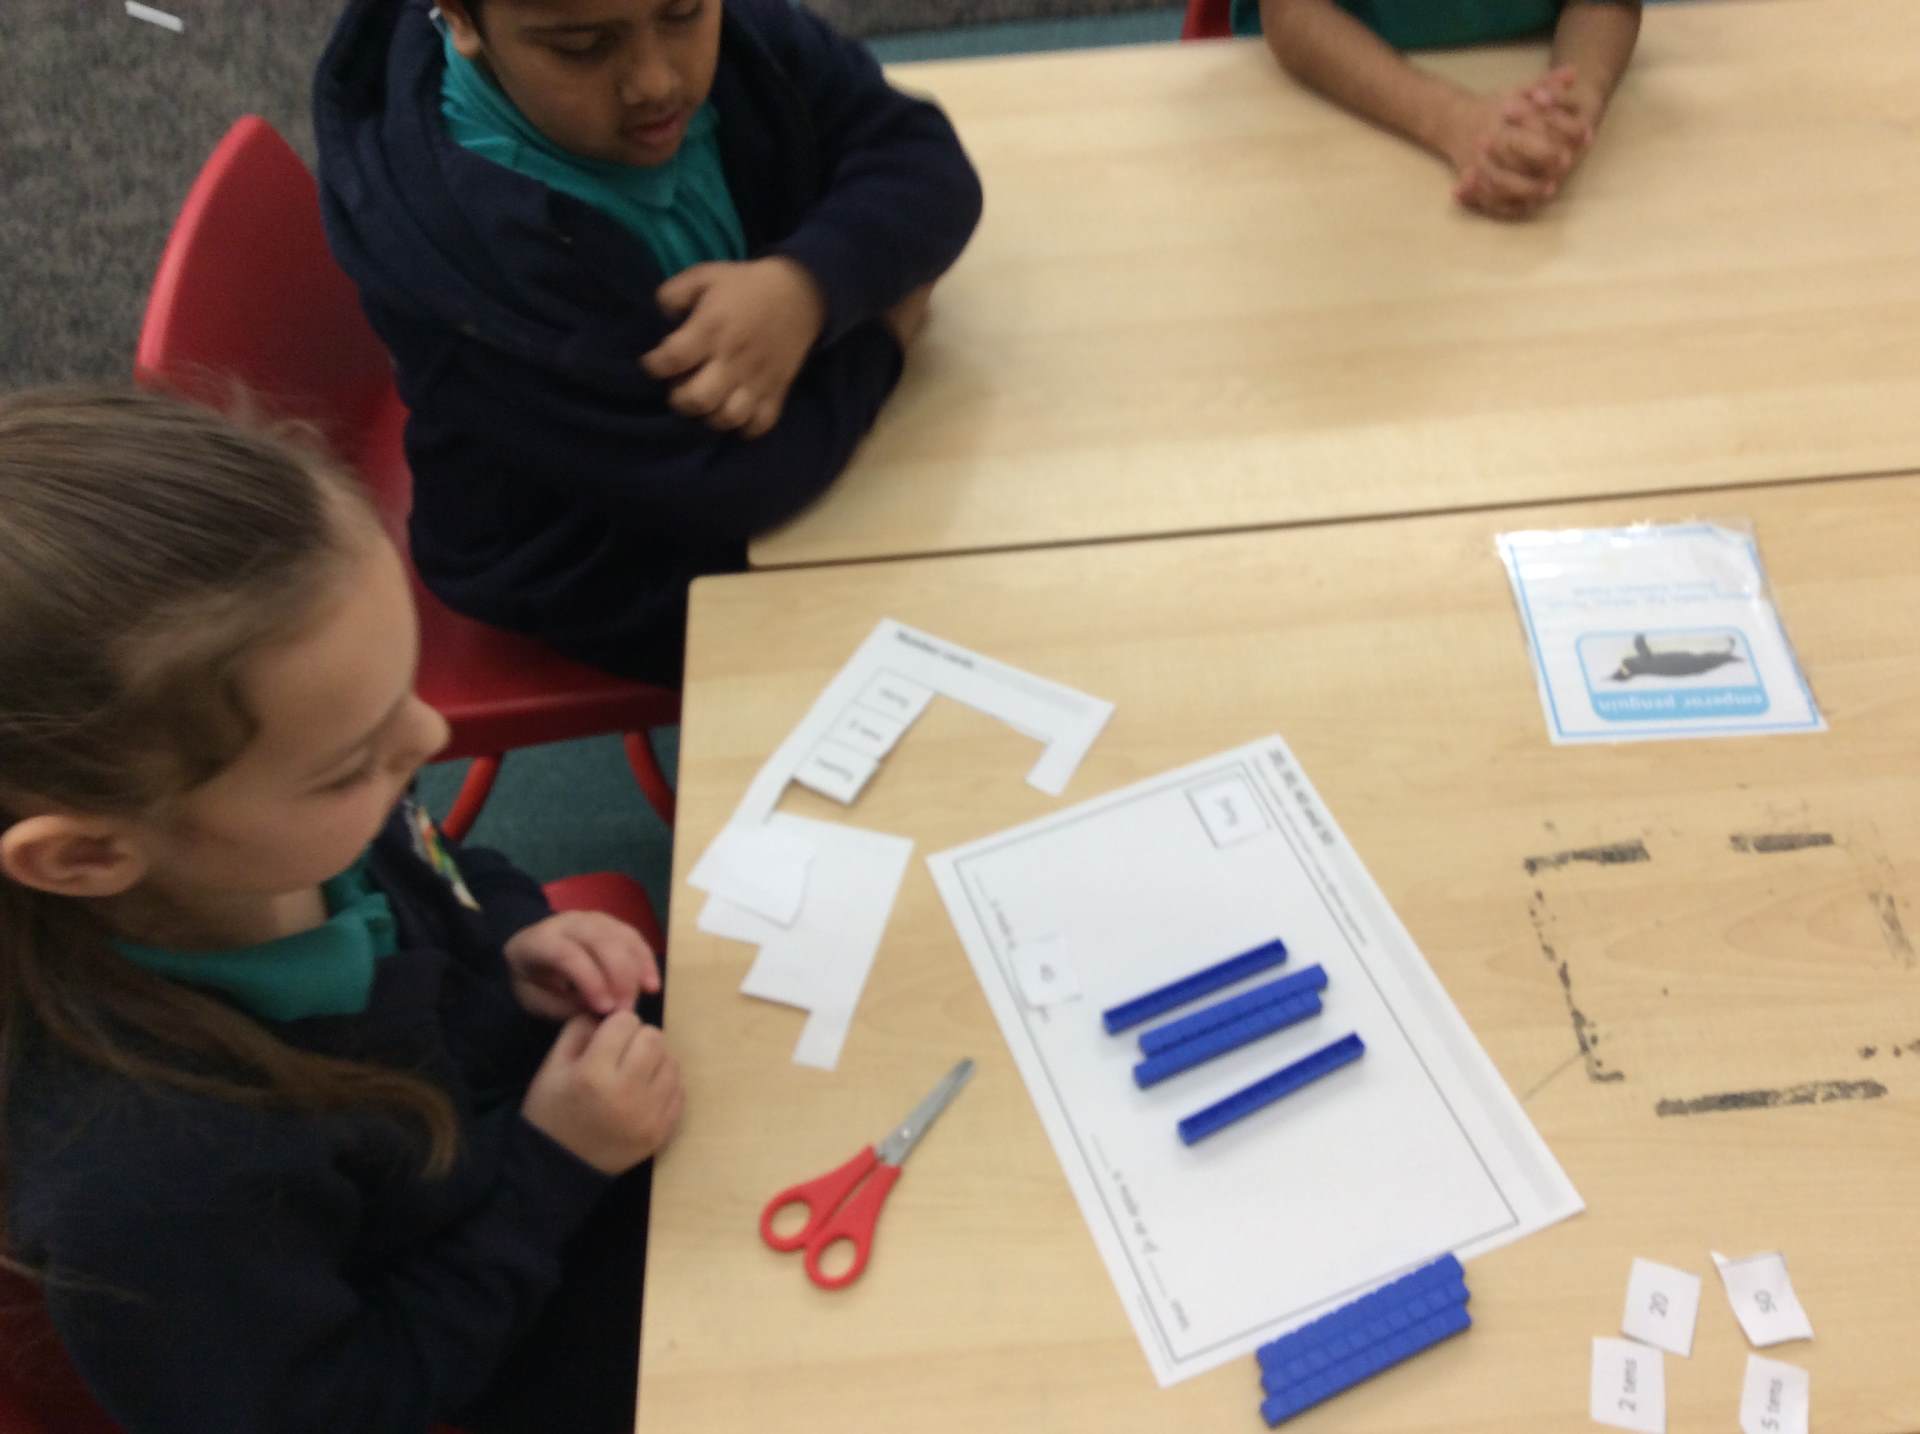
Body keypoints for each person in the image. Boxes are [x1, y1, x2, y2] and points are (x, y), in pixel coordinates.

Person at [0, 386, 682, 1433]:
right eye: (352, 763)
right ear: (88, 854)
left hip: (543, 1145)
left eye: (400, 691)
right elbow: (344, 1406)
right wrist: (554, 1167)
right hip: (512, 1325)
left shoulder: (299, 827)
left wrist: (513, 938)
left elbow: (448, 866)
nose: (429, 736)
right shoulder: (149, 1185)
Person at [313, 0, 984, 684]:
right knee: (946, 626)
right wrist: (885, 329)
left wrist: (806, 285)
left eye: (684, 15)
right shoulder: (476, 251)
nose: (656, 82)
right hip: (603, 556)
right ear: (461, 19)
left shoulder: (706, 21)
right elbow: (733, 485)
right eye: (581, 46)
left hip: (772, 435)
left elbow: (922, 158)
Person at [1235, 0, 1642, 220]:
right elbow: (1291, 12)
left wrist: (1567, 111)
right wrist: (1455, 119)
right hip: (1331, 117)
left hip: (1534, 72)